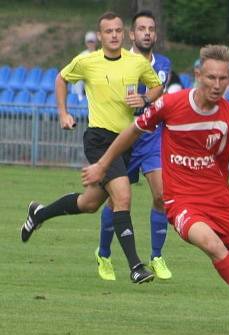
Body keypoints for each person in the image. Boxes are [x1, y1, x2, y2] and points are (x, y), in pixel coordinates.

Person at [82, 44, 229, 320]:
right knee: (211, 244)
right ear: (198, 74)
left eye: (224, 78)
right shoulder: (171, 104)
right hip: (182, 201)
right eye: (211, 77)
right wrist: (102, 164)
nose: (217, 84)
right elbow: (133, 131)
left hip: (221, 202)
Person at [20, 11, 163, 284]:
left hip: (126, 141)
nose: (114, 35)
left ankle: (39, 213)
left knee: (89, 203)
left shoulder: (136, 62)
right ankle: (135, 266)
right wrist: (63, 113)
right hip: (99, 138)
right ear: (100, 36)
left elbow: (158, 87)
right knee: (122, 197)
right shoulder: (87, 61)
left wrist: (144, 98)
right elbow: (61, 79)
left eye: (118, 31)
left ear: (124, 34)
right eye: (108, 31)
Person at [95, 10, 172, 281]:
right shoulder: (118, 61)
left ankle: (157, 256)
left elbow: (159, 93)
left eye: (151, 28)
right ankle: (104, 254)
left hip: (152, 139)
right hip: (124, 138)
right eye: (141, 28)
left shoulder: (163, 63)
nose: (147, 33)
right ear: (132, 34)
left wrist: (147, 99)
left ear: (155, 33)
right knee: (114, 202)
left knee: (162, 196)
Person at [71, 31, 98, 101]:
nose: (90, 44)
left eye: (92, 41)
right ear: (86, 43)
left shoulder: (99, 55)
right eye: (89, 42)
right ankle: (79, 97)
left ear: (95, 42)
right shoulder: (82, 55)